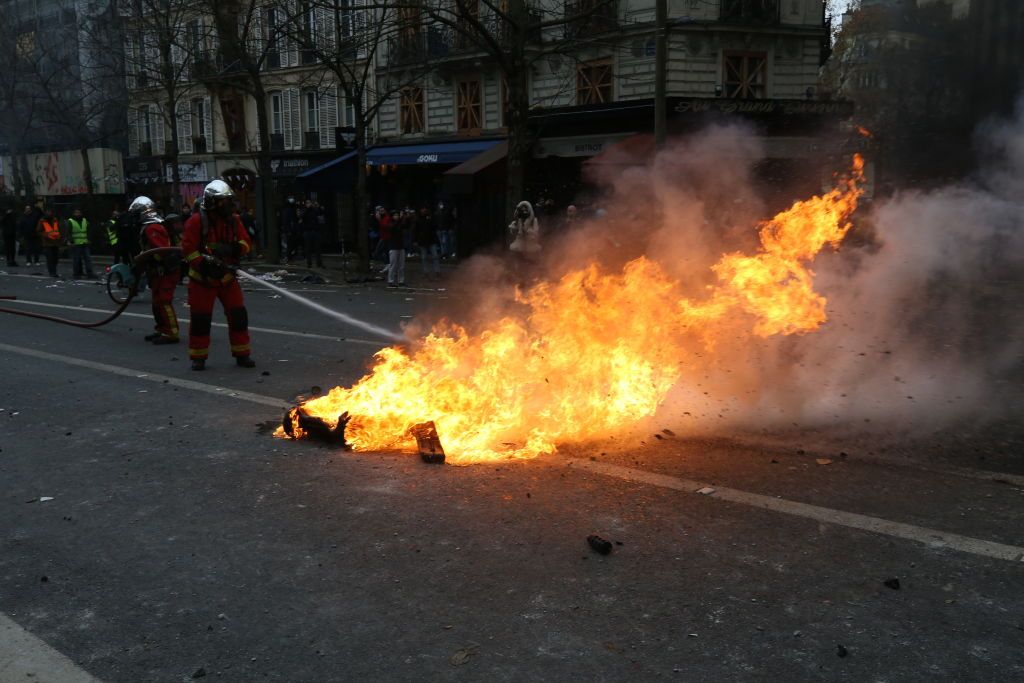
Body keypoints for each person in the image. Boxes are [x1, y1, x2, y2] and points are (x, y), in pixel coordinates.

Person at [180, 179, 255, 371]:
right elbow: (188, 249)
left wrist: (235, 249)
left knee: (238, 315)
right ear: (213, 202)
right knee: (200, 319)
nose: (229, 205)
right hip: (202, 279)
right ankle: (198, 357)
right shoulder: (197, 221)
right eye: (224, 201)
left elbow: (246, 242)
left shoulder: (234, 220)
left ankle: (242, 353)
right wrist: (204, 265)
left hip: (227, 278)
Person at [138, 211, 181, 345]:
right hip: (157, 271)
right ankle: (162, 329)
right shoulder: (150, 228)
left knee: (164, 301)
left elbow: (161, 251)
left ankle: (171, 333)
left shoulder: (153, 228)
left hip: (165, 271)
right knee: (157, 302)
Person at [67, 208, 97, 279]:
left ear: (81, 213)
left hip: (84, 242)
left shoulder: (84, 220)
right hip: (76, 243)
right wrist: (71, 241)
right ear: (73, 214)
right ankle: (76, 274)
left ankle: (89, 273)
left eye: (79, 213)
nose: (77, 214)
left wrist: (89, 239)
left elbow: (88, 230)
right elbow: (69, 232)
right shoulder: (70, 221)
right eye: (76, 213)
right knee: (76, 260)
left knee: (88, 259)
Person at [415, 206, 440, 280]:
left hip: (431, 239)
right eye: (422, 209)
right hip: (423, 240)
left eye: (424, 209)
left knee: (434, 256)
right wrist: (415, 240)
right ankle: (426, 272)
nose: (423, 210)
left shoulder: (430, 218)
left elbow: (435, 226)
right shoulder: (418, 219)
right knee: (424, 257)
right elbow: (415, 230)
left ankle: (437, 271)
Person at [37, 207, 63, 277]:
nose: (49, 213)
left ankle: (53, 271)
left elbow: (58, 229)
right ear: (45, 213)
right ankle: (52, 272)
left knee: (55, 259)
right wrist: (46, 235)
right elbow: (39, 231)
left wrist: (60, 236)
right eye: (47, 212)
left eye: (50, 212)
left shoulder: (55, 220)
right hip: (47, 243)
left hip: (55, 242)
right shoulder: (42, 221)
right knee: (50, 259)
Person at [384, 208, 405, 287]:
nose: (397, 216)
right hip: (393, 246)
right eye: (395, 215)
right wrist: (399, 220)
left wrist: (404, 218)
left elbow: (405, 225)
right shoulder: (390, 223)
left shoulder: (399, 223)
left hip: (400, 246)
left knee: (401, 265)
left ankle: (401, 281)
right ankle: (391, 280)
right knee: (393, 264)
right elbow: (392, 229)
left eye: (397, 215)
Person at [302, 200, 323, 268]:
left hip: (315, 231)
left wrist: (318, 207)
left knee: (318, 248)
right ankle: (309, 263)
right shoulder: (305, 210)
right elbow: (302, 216)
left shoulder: (315, 210)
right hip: (308, 231)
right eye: (307, 203)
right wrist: (308, 208)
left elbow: (320, 215)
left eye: (310, 203)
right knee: (308, 248)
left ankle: (319, 263)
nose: (309, 204)